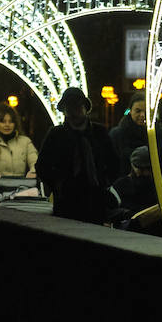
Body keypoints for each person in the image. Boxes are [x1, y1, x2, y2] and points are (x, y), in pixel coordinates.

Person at [37, 87, 122, 223]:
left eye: (77, 106)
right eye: (69, 106)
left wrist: (104, 182)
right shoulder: (56, 134)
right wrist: (58, 185)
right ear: (64, 110)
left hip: (95, 200)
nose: (74, 111)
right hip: (66, 201)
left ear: (85, 108)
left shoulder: (99, 133)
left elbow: (114, 162)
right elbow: (42, 166)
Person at [109, 94, 162, 201]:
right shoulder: (117, 134)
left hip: (154, 196)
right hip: (125, 197)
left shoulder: (160, 134)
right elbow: (109, 164)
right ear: (130, 111)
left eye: (146, 111)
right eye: (138, 111)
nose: (142, 115)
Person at [107, 146, 162, 235]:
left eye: (148, 169)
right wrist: (125, 213)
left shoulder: (159, 187)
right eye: (141, 169)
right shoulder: (120, 186)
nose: (145, 173)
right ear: (133, 166)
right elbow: (108, 211)